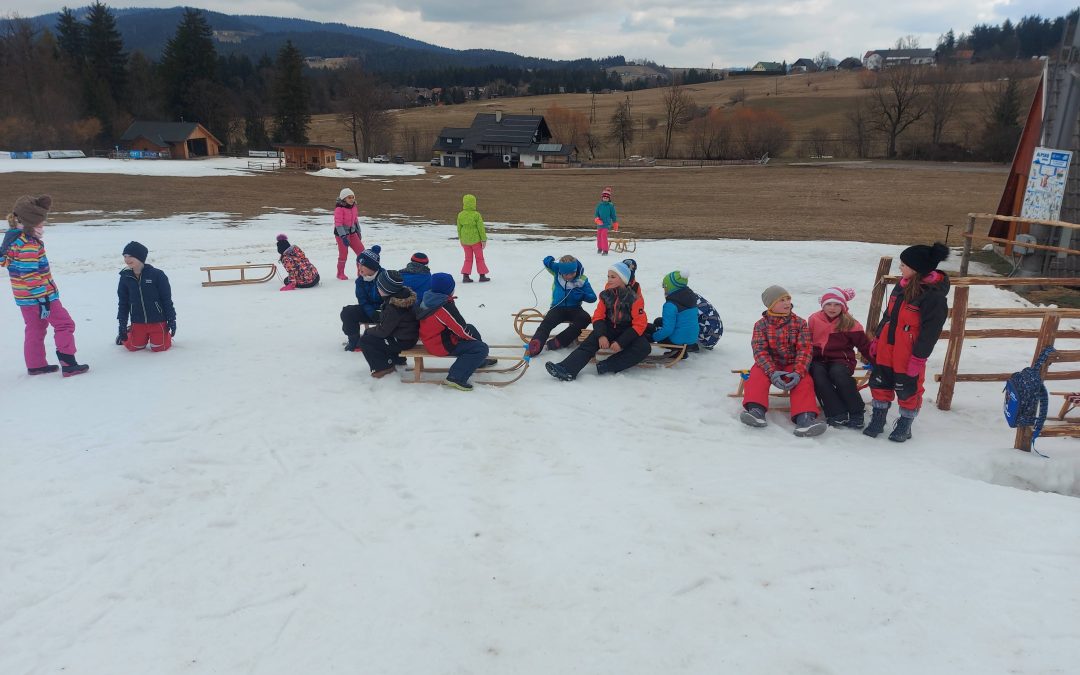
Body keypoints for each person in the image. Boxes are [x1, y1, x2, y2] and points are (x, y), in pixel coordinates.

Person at [864, 243, 950, 442]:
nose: (900, 268)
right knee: (880, 382)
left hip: (908, 351)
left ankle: (905, 424)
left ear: (917, 268)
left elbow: (931, 332)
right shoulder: (902, 285)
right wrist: (878, 338)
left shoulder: (933, 297)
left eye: (904, 265)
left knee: (908, 388)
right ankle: (878, 419)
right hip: (887, 345)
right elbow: (888, 315)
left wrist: (919, 358)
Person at [1, 194, 88, 376]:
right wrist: (43, 299)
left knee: (35, 328)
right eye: (39, 224)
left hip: (24, 298)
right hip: (41, 297)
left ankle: (36, 364)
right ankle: (68, 363)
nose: (43, 227)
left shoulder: (13, 239)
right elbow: (30, 275)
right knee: (64, 324)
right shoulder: (28, 245)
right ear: (28, 223)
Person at [740, 285, 825, 437]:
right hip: (770, 364)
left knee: (804, 381)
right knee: (756, 375)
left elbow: (804, 349)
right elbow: (759, 351)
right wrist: (771, 372)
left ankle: (805, 418)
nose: (787, 303)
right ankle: (756, 411)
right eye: (781, 300)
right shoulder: (761, 325)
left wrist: (798, 372)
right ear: (771, 305)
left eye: (788, 299)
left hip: (793, 363)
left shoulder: (799, 323)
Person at [546, 261, 649, 381]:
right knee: (589, 343)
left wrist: (621, 342)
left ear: (623, 279)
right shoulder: (606, 295)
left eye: (613, 277)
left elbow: (640, 324)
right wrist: (601, 335)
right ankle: (566, 369)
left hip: (627, 329)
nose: (609, 279)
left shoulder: (635, 298)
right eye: (608, 276)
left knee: (644, 347)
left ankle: (608, 365)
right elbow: (598, 316)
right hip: (609, 327)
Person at [807, 287, 872, 429]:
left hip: (842, 359)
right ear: (822, 305)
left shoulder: (851, 323)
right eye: (828, 304)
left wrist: (877, 362)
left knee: (838, 374)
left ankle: (856, 412)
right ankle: (836, 413)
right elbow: (805, 342)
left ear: (843, 306)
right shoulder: (814, 319)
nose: (832, 308)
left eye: (837, 304)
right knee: (818, 375)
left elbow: (864, 346)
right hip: (818, 359)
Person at [416, 272, 491, 391]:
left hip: (432, 339)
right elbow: (461, 330)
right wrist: (476, 343)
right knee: (481, 348)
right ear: (449, 290)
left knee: (471, 329)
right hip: (440, 346)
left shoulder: (430, 298)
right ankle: (456, 377)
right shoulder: (444, 307)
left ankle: (478, 360)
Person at [527, 254, 597, 357]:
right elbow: (548, 264)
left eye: (572, 273)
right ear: (561, 271)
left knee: (585, 318)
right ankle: (537, 342)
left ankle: (559, 341)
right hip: (557, 307)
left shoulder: (582, 279)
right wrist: (548, 260)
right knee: (547, 322)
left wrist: (583, 296)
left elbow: (593, 297)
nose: (569, 276)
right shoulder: (557, 270)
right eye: (566, 274)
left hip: (575, 308)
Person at [116, 241, 176, 353]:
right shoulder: (125, 277)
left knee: (159, 348)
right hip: (138, 321)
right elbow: (123, 303)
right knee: (134, 347)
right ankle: (130, 331)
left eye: (130, 256)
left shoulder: (157, 275)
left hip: (157, 320)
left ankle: (163, 333)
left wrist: (171, 319)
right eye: (125, 256)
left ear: (140, 257)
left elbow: (166, 299)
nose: (127, 259)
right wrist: (122, 324)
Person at [359, 269, 419, 378]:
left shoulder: (393, 307)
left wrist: (369, 330)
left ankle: (384, 367)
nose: (377, 289)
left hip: (403, 341)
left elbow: (383, 331)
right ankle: (398, 359)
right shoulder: (401, 297)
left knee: (365, 340)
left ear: (387, 289)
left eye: (379, 287)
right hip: (407, 337)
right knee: (372, 336)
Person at [649, 270, 700, 358]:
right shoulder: (692, 298)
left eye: (664, 286)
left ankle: (678, 351)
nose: (664, 289)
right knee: (659, 321)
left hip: (677, 341)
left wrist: (652, 338)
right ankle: (684, 349)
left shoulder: (670, 305)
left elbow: (667, 330)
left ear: (670, 287)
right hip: (692, 339)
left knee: (656, 328)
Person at [340, 244, 383, 352]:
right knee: (347, 312)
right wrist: (372, 313)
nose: (359, 268)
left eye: (362, 265)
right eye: (358, 265)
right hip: (370, 311)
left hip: (386, 312)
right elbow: (363, 301)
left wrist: (381, 312)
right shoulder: (360, 281)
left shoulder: (384, 277)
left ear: (372, 267)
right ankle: (354, 341)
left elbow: (391, 298)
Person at [457, 193, 489, 283]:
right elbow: (481, 228)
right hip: (476, 241)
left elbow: (459, 228)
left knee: (468, 258)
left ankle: (465, 276)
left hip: (465, 241)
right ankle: (482, 275)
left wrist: (461, 238)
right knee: (479, 258)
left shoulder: (460, 215)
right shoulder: (476, 215)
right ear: (474, 203)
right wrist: (483, 239)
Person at [333, 187, 364, 280]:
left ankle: (361, 273)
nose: (351, 199)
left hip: (352, 233)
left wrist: (358, 232)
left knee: (362, 252)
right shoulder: (339, 209)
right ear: (343, 198)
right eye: (349, 197)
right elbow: (338, 224)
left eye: (352, 197)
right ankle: (340, 273)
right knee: (343, 254)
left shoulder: (354, 207)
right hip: (341, 234)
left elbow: (355, 220)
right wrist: (343, 236)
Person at [593, 186, 619, 256]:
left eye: (607, 198)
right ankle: (600, 248)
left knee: (603, 235)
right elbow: (596, 214)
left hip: (606, 224)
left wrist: (615, 223)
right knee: (599, 236)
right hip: (599, 224)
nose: (605, 199)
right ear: (602, 198)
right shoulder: (599, 205)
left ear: (609, 199)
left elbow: (613, 215)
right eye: (604, 198)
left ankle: (605, 250)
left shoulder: (611, 206)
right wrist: (597, 219)